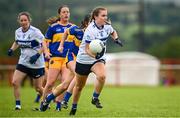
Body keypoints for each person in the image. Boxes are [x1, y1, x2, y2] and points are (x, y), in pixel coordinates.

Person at [69, 7, 123, 115]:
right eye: (103, 15)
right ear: (95, 17)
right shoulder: (90, 30)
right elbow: (87, 49)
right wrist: (95, 56)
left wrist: (116, 39)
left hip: (97, 59)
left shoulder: (107, 26)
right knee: (79, 86)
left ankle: (95, 97)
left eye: (106, 15)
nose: (105, 17)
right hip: (84, 59)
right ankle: (74, 107)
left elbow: (113, 32)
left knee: (102, 76)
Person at [39, 14, 91, 111]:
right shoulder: (76, 29)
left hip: (80, 61)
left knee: (65, 85)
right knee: (78, 74)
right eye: (91, 22)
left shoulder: (94, 34)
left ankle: (48, 100)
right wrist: (61, 45)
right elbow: (65, 33)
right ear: (85, 23)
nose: (93, 24)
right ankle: (65, 100)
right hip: (71, 57)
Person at [7, 12, 45, 110]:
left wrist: (37, 55)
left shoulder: (35, 31)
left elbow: (45, 44)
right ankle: (18, 105)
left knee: (38, 88)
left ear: (29, 20)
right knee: (15, 82)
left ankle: (47, 100)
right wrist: (12, 49)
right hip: (23, 62)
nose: (23, 22)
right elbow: (17, 42)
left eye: (25, 20)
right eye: (22, 20)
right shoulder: (18, 31)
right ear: (19, 21)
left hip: (36, 64)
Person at [40, 5, 74, 111]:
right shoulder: (53, 27)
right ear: (60, 14)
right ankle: (43, 103)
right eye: (64, 12)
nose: (66, 14)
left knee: (65, 82)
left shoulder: (73, 27)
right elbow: (44, 41)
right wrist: (46, 52)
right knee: (50, 83)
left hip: (67, 59)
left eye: (67, 12)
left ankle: (58, 105)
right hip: (55, 58)